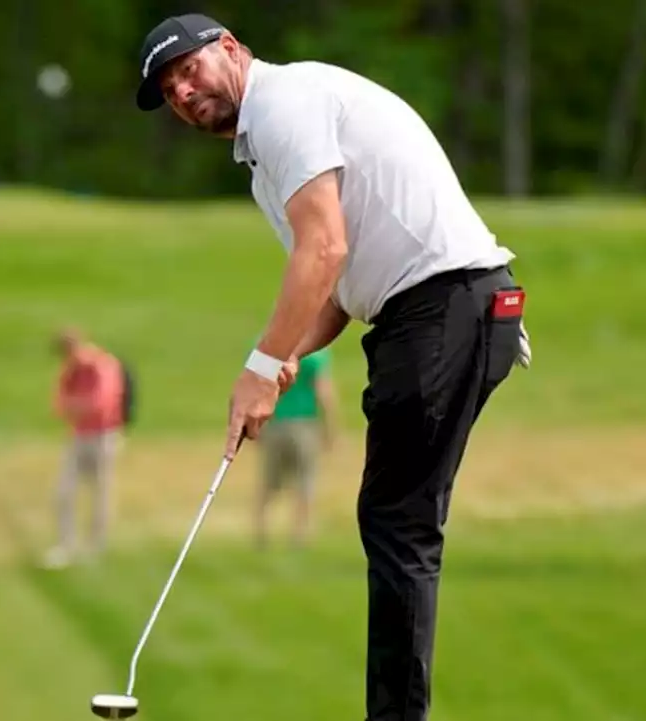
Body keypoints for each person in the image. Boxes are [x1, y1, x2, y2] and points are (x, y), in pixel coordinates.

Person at [134, 14, 532, 721]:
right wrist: (278, 356)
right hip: (440, 312)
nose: (184, 92)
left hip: (445, 306)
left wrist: (261, 366)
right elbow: (337, 292)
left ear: (230, 48)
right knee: (397, 518)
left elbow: (324, 250)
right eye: (169, 90)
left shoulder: (285, 105)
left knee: (397, 522)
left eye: (188, 70)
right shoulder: (265, 159)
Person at [43, 327, 124, 570]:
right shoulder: (70, 370)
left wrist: (75, 407)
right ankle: (66, 544)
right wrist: (76, 407)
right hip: (79, 435)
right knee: (64, 491)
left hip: (103, 435)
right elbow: (58, 404)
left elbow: (102, 402)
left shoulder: (102, 364)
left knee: (100, 491)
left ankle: (95, 545)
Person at [254, 348, 338, 550]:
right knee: (305, 482)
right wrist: (331, 429)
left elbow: (257, 388)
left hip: (274, 422)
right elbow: (323, 392)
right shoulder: (315, 353)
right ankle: (299, 535)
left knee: (269, 483)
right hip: (304, 425)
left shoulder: (266, 347)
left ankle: (260, 531)